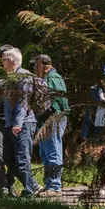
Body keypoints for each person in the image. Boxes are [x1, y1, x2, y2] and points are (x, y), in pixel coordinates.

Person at [0, 46, 40, 198]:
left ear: (10, 61)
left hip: (23, 124)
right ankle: (33, 185)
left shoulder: (24, 76)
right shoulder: (12, 76)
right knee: (8, 158)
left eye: (4, 60)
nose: (2, 63)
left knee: (22, 159)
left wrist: (18, 123)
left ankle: (30, 191)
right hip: (11, 124)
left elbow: (24, 101)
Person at [34, 54, 70, 193]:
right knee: (45, 153)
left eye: (37, 65)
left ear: (44, 65)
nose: (35, 68)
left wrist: (60, 114)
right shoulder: (47, 78)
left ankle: (55, 186)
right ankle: (49, 184)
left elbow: (61, 100)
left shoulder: (54, 78)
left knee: (53, 151)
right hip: (45, 119)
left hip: (54, 118)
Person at [82, 65, 105, 142]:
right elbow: (89, 114)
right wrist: (85, 134)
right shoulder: (94, 91)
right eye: (104, 79)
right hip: (97, 128)